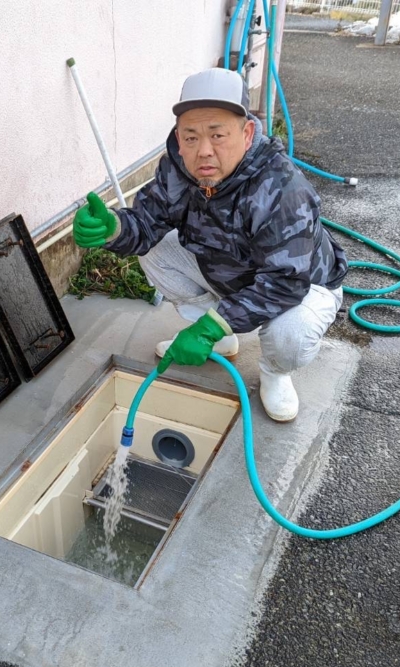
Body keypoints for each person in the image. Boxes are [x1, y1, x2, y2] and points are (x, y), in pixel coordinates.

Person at [73, 68, 348, 422]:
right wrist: (112, 228)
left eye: (217, 135)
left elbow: (284, 281)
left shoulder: (280, 187)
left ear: (247, 133)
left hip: (301, 286)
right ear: (179, 135)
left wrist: (212, 324)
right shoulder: (178, 167)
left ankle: (275, 372)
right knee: (155, 251)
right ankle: (218, 337)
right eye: (191, 137)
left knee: (290, 335)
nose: (203, 151)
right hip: (230, 272)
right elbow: (148, 222)